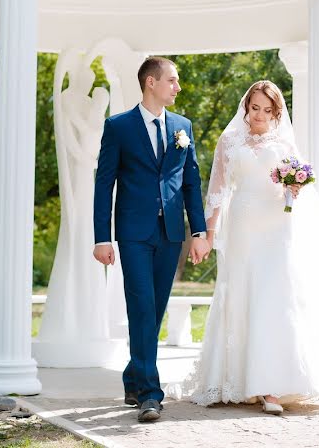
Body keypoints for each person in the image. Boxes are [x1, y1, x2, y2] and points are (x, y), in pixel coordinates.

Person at [182, 80, 319, 414]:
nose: (259, 116)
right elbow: (217, 191)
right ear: (246, 106)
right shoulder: (229, 141)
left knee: (275, 299)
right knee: (243, 294)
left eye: (267, 110)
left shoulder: (284, 142)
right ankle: (237, 379)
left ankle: (272, 385)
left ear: (276, 111)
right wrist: (208, 234)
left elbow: (297, 184)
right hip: (244, 226)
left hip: (278, 226)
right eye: (254, 107)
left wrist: (294, 191)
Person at [92, 56, 211, 423]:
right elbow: (104, 184)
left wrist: (199, 231)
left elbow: (191, 182)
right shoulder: (119, 126)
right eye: (172, 81)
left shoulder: (182, 126)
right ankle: (149, 393)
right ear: (151, 83)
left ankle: (132, 375)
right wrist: (102, 238)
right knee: (141, 306)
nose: (177, 87)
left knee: (154, 310)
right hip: (133, 234)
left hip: (171, 233)